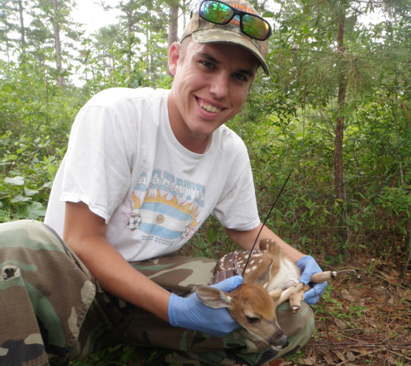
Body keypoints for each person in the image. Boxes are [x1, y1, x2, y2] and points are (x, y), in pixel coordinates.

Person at [0, 0, 327, 365]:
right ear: (175, 59)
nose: (220, 89)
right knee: (13, 243)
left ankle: (135, 346)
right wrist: (175, 310)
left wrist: (301, 265)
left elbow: (247, 228)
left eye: (240, 76)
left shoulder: (231, 151)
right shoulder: (116, 114)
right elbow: (82, 239)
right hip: (75, 283)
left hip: (147, 279)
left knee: (291, 318)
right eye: (207, 63)